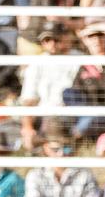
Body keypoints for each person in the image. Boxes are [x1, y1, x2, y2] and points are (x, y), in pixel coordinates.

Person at [19, 21, 81, 152]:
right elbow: (29, 99)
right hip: (41, 115)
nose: (51, 43)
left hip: (67, 115)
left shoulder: (80, 60)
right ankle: (40, 144)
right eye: (46, 40)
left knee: (52, 124)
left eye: (55, 39)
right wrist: (27, 127)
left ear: (66, 37)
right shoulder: (37, 63)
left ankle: (49, 149)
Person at [62, 18, 105, 141]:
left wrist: (103, 26)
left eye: (100, 35)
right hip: (90, 109)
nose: (96, 40)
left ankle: (75, 136)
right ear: (84, 40)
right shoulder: (86, 64)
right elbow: (76, 93)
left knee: (89, 119)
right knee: (68, 93)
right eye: (91, 36)